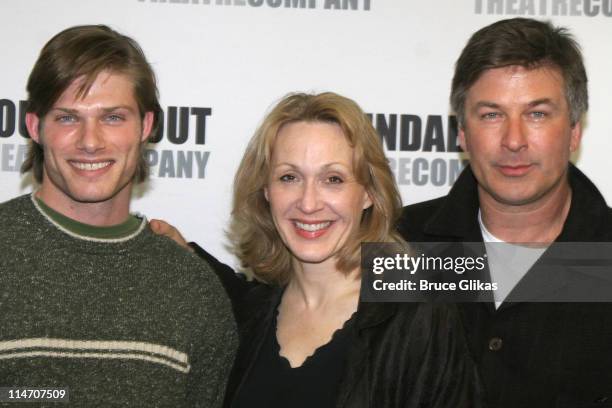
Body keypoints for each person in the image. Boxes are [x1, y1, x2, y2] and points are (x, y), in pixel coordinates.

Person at [154, 92, 484, 407]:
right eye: (289, 178)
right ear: (266, 191)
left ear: (368, 193)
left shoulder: (420, 320)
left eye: (333, 180)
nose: (308, 203)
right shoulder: (247, 320)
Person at [0, 25, 236, 407]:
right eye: (67, 118)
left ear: (145, 126)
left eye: (112, 118)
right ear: (34, 127)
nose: (90, 141)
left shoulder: (192, 289)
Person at [398, 18, 612, 406]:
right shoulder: (399, 245)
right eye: (492, 114)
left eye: (537, 114)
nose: (514, 141)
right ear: (462, 132)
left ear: (575, 131)